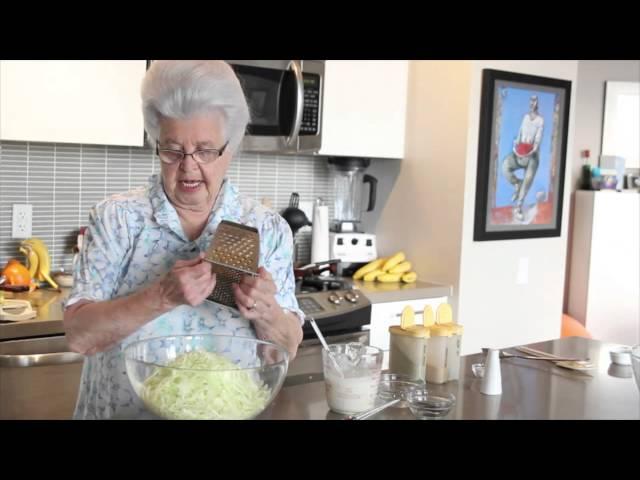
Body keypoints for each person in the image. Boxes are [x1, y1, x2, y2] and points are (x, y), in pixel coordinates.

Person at [63, 61, 304, 419]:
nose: (189, 167)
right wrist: (161, 296)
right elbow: (80, 335)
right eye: (173, 151)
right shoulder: (117, 219)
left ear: (230, 148)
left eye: (206, 151)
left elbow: (286, 346)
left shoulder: (267, 229)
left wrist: (268, 313)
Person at [501, 95, 544, 221]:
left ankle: (518, 207)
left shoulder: (540, 120)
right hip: (519, 153)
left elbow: (538, 140)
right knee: (505, 166)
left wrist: (532, 149)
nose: (532, 103)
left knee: (527, 181)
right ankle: (516, 183)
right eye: (530, 100)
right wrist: (516, 145)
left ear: (537, 103)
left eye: (534, 100)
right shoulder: (525, 117)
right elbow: (520, 133)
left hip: (532, 157)